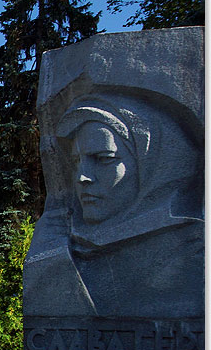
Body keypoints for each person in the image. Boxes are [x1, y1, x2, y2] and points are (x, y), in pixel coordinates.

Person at [24, 93, 203, 318]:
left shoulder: (191, 249)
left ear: (150, 165)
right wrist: (50, 255)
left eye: (104, 158)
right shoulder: (61, 238)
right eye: (77, 161)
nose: (82, 177)